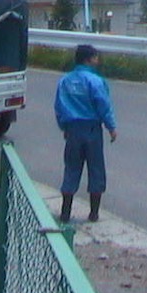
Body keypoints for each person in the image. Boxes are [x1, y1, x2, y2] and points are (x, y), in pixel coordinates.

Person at [54, 43, 117, 223]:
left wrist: (64, 127)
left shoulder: (65, 81)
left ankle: (65, 212)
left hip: (73, 129)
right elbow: (103, 106)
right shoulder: (95, 81)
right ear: (89, 59)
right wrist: (111, 127)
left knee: (72, 168)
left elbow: (59, 107)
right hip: (92, 129)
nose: (97, 60)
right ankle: (93, 213)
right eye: (95, 57)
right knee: (96, 168)